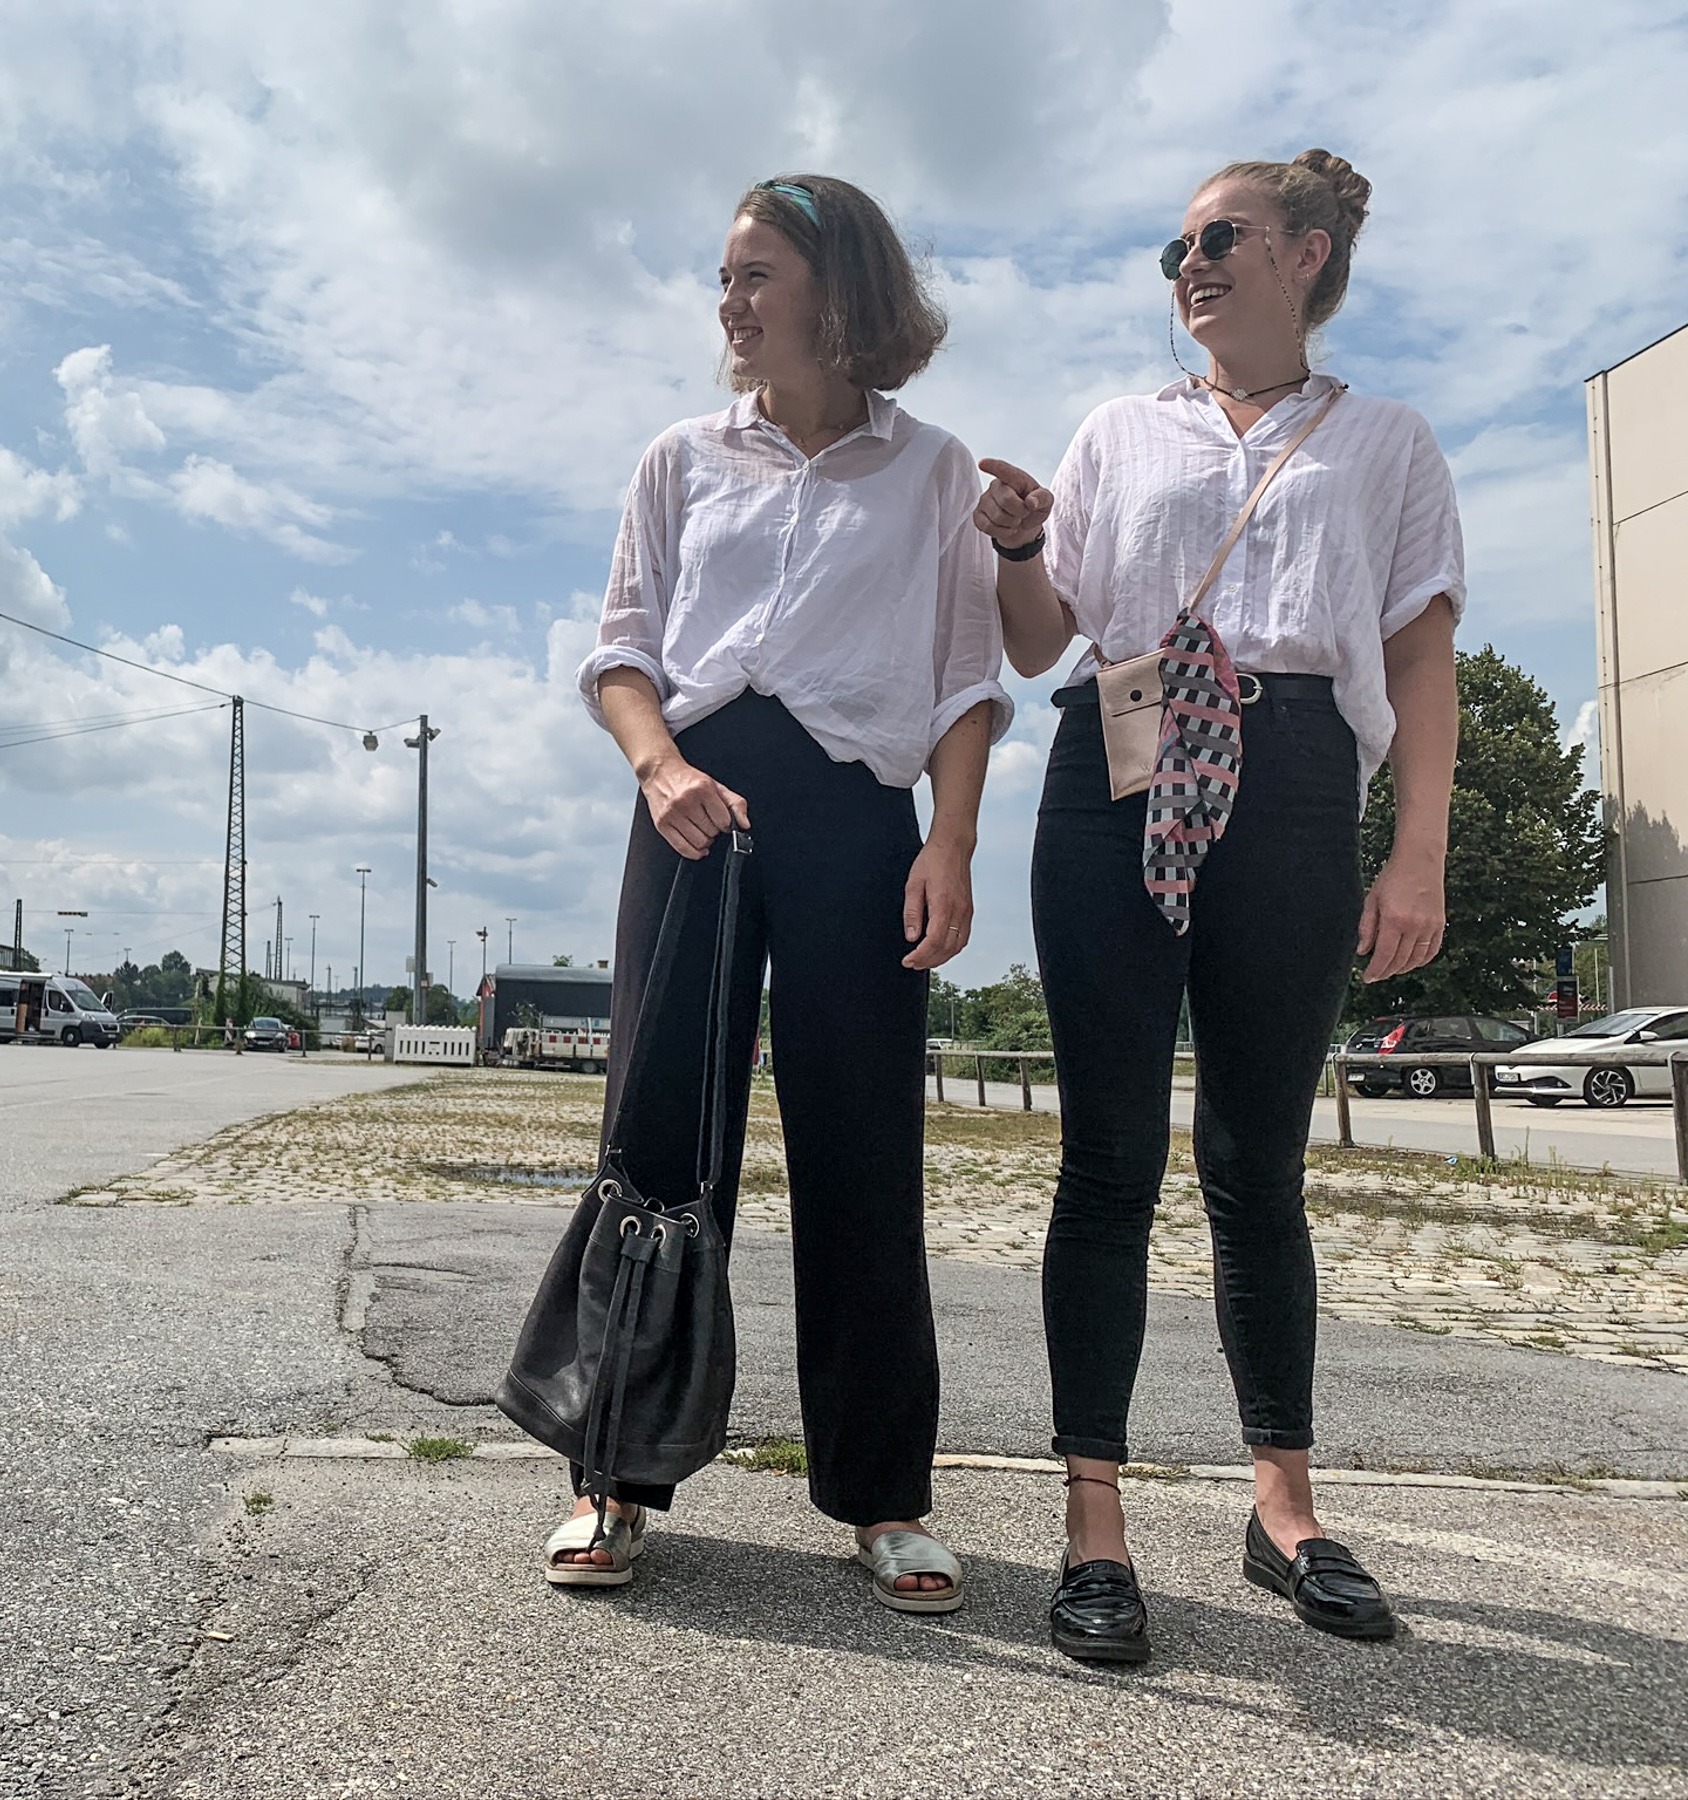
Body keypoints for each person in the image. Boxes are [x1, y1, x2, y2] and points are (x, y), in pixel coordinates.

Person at [975, 149, 1460, 1661]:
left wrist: (1419, 851)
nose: (1187, 262)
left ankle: (1286, 1507)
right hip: (1114, 758)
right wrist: (1014, 544)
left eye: (1219, 237)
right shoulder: (1122, 429)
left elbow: (1424, 660)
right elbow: (1041, 632)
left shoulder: (1387, 444)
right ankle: (1093, 1519)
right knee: (1106, 1157)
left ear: (1307, 254)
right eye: (1173, 243)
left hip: (1302, 771)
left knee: (1259, 1162)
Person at [545, 174, 1009, 1605]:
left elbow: (967, 684)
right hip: (692, 805)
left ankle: (884, 1496)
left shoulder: (937, 472)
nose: (730, 304)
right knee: (660, 1136)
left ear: (837, 290)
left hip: (859, 819)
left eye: (756, 274)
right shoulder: (680, 457)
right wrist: (656, 770)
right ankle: (615, 1478)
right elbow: (623, 651)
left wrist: (953, 842)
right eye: (726, 278)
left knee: (863, 1150)